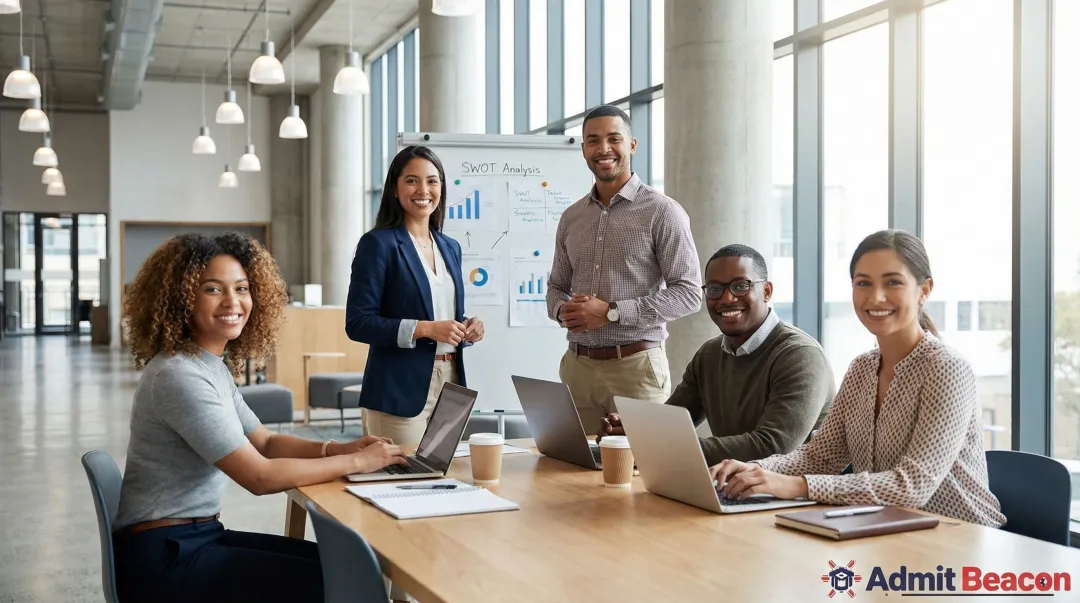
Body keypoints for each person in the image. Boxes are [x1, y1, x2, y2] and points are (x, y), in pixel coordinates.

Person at [113, 232, 410, 603]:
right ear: (181, 298)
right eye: (213, 289)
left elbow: (266, 442)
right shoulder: (179, 376)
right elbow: (259, 475)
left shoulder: (207, 366)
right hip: (165, 561)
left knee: (345, 564)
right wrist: (357, 461)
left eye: (241, 288)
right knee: (342, 580)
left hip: (193, 537)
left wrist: (338, 448)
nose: (232, 302)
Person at [710, 230, 1005, 527]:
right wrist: (753, 470)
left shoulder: (947, 369)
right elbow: (820, 458)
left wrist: (797, 486)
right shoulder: (862, 368)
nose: (876, 297)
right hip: (888, 530)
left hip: (964, 539)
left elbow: (911, 487)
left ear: (924, 290)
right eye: (863, 283)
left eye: (893, 282)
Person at [597, 245, 836, 465]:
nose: (727, 298)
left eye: (741, 285)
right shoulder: (709, 355)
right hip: (734, 487)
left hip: (794, 497)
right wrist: (634, 429)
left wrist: (667, 446)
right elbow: (673, 421)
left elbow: (773, 446)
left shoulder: (800, 355)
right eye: (714, 289)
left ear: (766, 291)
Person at [546, 104, 703, 431]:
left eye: (613, 139)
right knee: (572, 474)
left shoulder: (663, 212)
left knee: (644, 473)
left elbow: (689, 293)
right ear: (584, 150)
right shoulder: (572, 217)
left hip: (637, 369)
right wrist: (563, 311)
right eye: (593, 141)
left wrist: (613, 312)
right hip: (577, 368)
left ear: (631, 144)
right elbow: (556, 286)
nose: (603, 149)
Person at [345, 145, 484, 445]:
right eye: (412, 180)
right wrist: (425, 329)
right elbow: (358, 323)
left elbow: (439, 310)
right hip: (398, 387)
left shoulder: (450, 247)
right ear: (395, 188)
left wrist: (466, 327)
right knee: (402, 483)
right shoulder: (378, 244)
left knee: (446, 481)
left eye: (432, 181)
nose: (423, 189)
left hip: (451, 380)